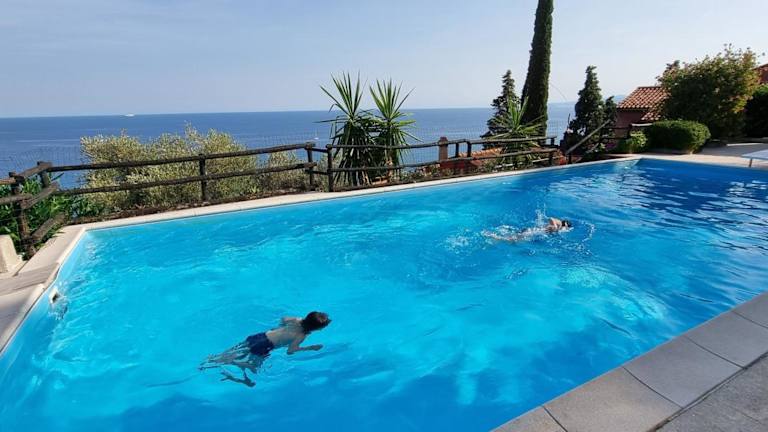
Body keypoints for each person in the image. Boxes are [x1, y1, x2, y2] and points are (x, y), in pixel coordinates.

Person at [200, 311, 331, 387]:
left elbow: (284, 319)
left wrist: (281, 329)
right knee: (253, 367)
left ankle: (212, 359)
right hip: (265, 346)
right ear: (316, 329)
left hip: (260, 336)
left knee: (240, 350)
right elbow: (290, 351)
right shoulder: (301, 335)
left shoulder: (296, 320)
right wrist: (311, 348)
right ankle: (230, 361)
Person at [483, 217, 573, 242]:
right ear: (566, 225)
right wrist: (555, 226)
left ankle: (497, 237)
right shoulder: (559, 223)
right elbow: (551, 218)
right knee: (513, 240)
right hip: (535, 231)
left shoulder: (560, 227)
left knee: (516, 238)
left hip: (535, 231)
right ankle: (494, 237)